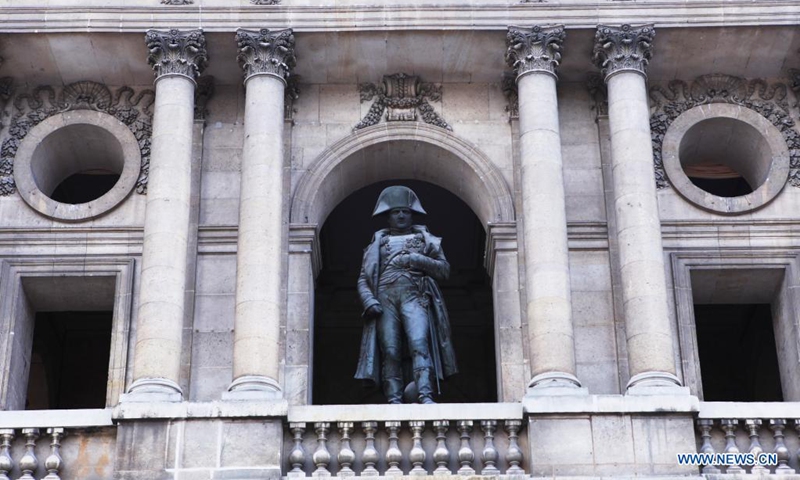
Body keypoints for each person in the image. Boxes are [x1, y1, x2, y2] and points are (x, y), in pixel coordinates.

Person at [354, 185, 458, 404]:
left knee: (419, 343)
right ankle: (394, 399)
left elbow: (444, 269)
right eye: (395, 212)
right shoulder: (376, 244)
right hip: (384, 298)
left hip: (415, 295)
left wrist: (416, 259)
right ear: (388, 217)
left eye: (405, 211)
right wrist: (369, 300)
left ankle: (425, 395)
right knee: (390, 350)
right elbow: (364, 278)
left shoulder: (426, 239)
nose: (401, 215)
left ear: (412, 215)